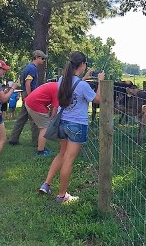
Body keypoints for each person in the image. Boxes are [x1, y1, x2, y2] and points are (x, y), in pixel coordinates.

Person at [38, 51, 104, 203]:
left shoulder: (63, 79)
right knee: (68, 159)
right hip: (77, 125)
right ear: (81, 65)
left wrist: (84, 77)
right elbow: (98, 100)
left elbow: (74, 84)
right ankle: (62, 195)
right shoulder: (83, 85)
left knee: (62, 154)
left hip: (62, 123)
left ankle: (46, 184)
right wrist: (100, 82)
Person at [8, 50, 47, 146]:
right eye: (42, 58)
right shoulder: (32, 68)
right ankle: (36, 142)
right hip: (29, 94)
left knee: (22, 117)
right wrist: (30, 97)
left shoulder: (28, 67)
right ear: (37, 57)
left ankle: (13, 139)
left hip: (26, 93)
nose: (43, 61)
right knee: (34, 118)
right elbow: (28, 83)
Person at [24, 82, 61, 156]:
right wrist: (52, 119)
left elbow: (52, 104)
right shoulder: (59, 90)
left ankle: (40, 146)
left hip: (30, 101)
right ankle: (40, 151)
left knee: (42, 126)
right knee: (45, 128)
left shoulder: (56, 84)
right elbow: (55, 108)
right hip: (35, 104)